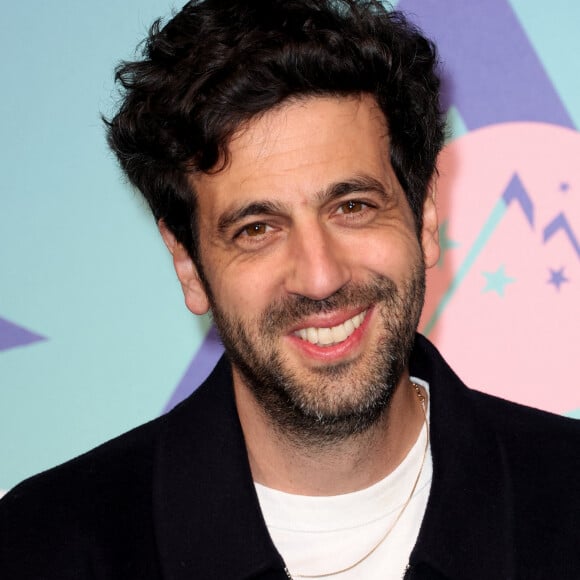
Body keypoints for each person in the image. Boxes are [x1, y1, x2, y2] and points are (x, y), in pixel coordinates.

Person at [1, 1, 579, 578]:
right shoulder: (42, 546)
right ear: (187, 264)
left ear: (424, 216)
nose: (320, 275)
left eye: (352, 207)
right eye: (257, 230)